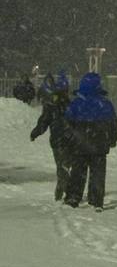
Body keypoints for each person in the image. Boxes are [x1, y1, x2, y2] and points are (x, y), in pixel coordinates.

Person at [63, 72, 117, 210]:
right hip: (99, 145)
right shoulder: (105, 104)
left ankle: (73, 198)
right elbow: (114, 124)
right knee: (98, 173)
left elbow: (67, 125)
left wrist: (67, 141)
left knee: (78, 172)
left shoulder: (76, 104)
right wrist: (112, 140)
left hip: (79, 144)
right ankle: (96, 200)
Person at [30, 72, 73, 200]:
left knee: (61, 165)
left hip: (57, 139)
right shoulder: (72, 105)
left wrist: (35, 133)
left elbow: (44, 121)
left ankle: (62, 188)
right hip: (70, 139)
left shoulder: (51, 106)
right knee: (66, 165)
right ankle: (65, 188)